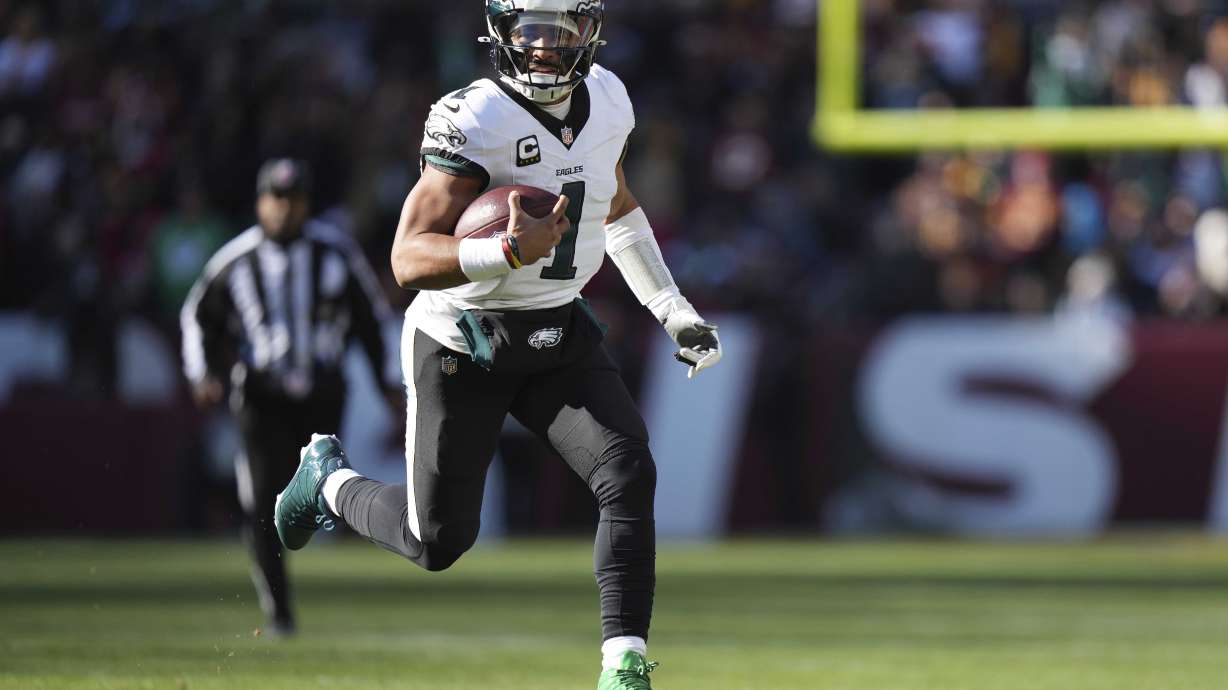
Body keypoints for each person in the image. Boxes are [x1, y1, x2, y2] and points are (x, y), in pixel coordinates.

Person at [274, 2, 721, 686]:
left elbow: (617, 206)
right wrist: (505, 251)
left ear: (588, 33)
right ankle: (327, 480)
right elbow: (406, 259)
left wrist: (671, 307)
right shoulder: (477, 118)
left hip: (555, 327)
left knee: (628, 471)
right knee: (436, 541)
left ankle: (624, 665)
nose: (542, 46)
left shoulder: (608, 100)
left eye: (559, 29)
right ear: (502, 33)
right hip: (465, 341)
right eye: (528, 30)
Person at [181, 158, 402, 637]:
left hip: (322, 391)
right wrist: (203, 374)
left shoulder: (335, 254)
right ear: (261, 202)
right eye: (277, 199)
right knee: (261, 498)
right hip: (260, 394)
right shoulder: (237, 260)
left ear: (306, 203)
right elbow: (197, 315)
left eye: (294, 199)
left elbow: (370, 318)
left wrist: (386, 382)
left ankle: (350, 560)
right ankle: (279, 610)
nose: (285, 209)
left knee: (326, 486)